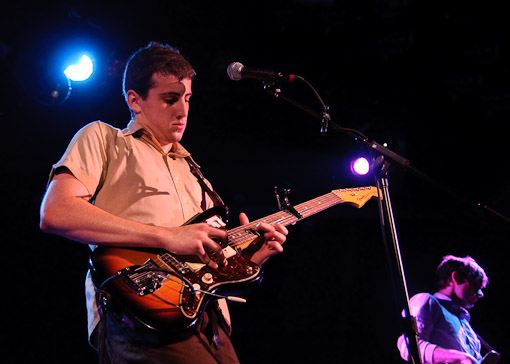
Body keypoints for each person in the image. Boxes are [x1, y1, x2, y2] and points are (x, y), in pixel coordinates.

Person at [39, 41, 288, 364]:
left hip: (208, 322)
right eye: (170, 99)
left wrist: (254, 254)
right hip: (142, 315)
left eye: (187, 99)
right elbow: (55, 212)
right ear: (135, 100)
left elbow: (205, 265)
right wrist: (167, 235)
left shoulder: (196, 174)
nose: (183, 111)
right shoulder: (105, 139)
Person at [397, 255, 492, 364]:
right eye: (476, 285)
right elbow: (408, 345)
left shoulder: (467, 326)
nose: (481, 294)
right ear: (456, 277)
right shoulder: (428, 301)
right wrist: (461, 358)